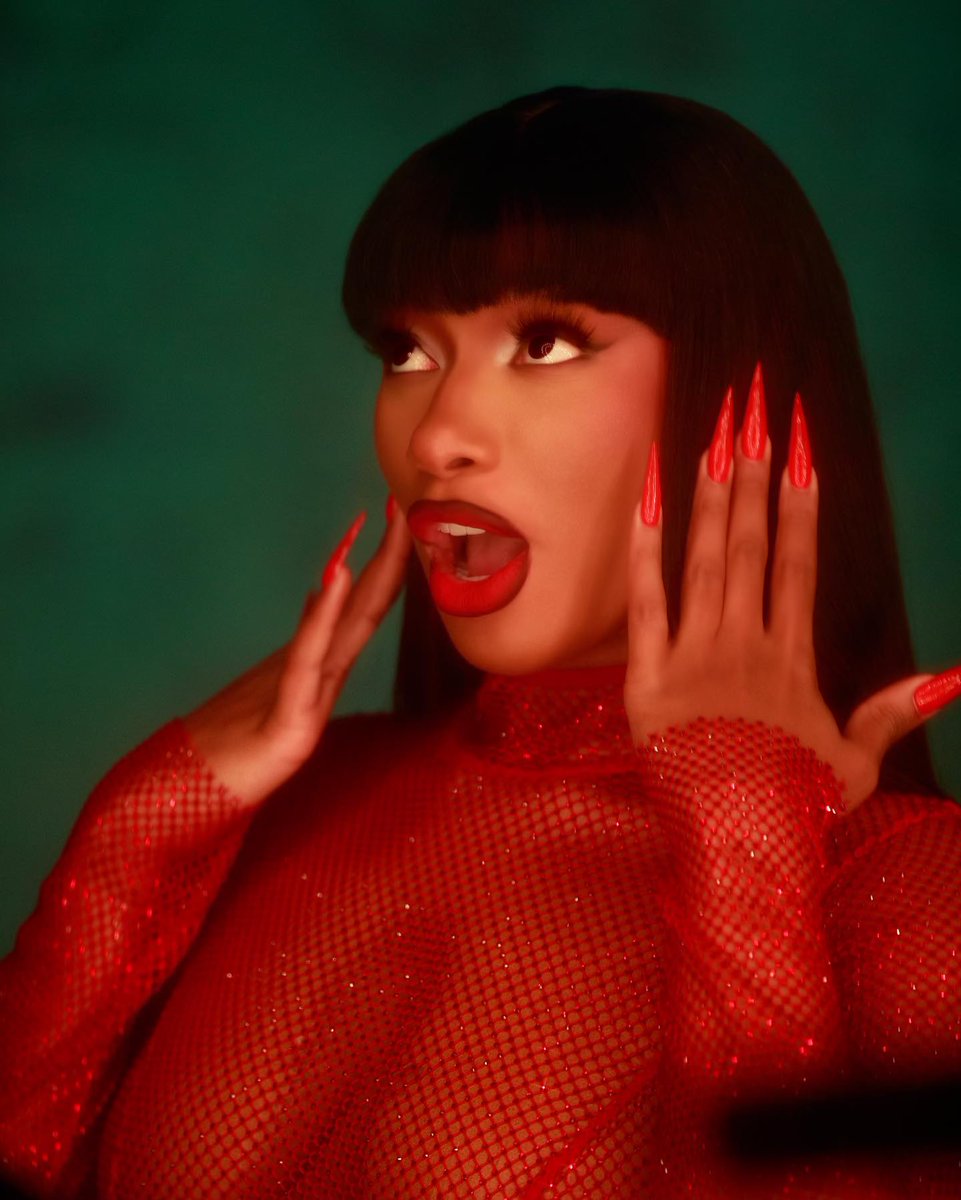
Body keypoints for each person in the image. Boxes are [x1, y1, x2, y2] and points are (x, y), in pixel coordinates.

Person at [1, 86, 959, 1199]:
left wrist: (742, 840)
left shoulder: (908, 887)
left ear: (741, 378)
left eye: (544, 342)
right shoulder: (278, 815)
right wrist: (128, 847)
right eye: (406, 351)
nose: (437, 437)